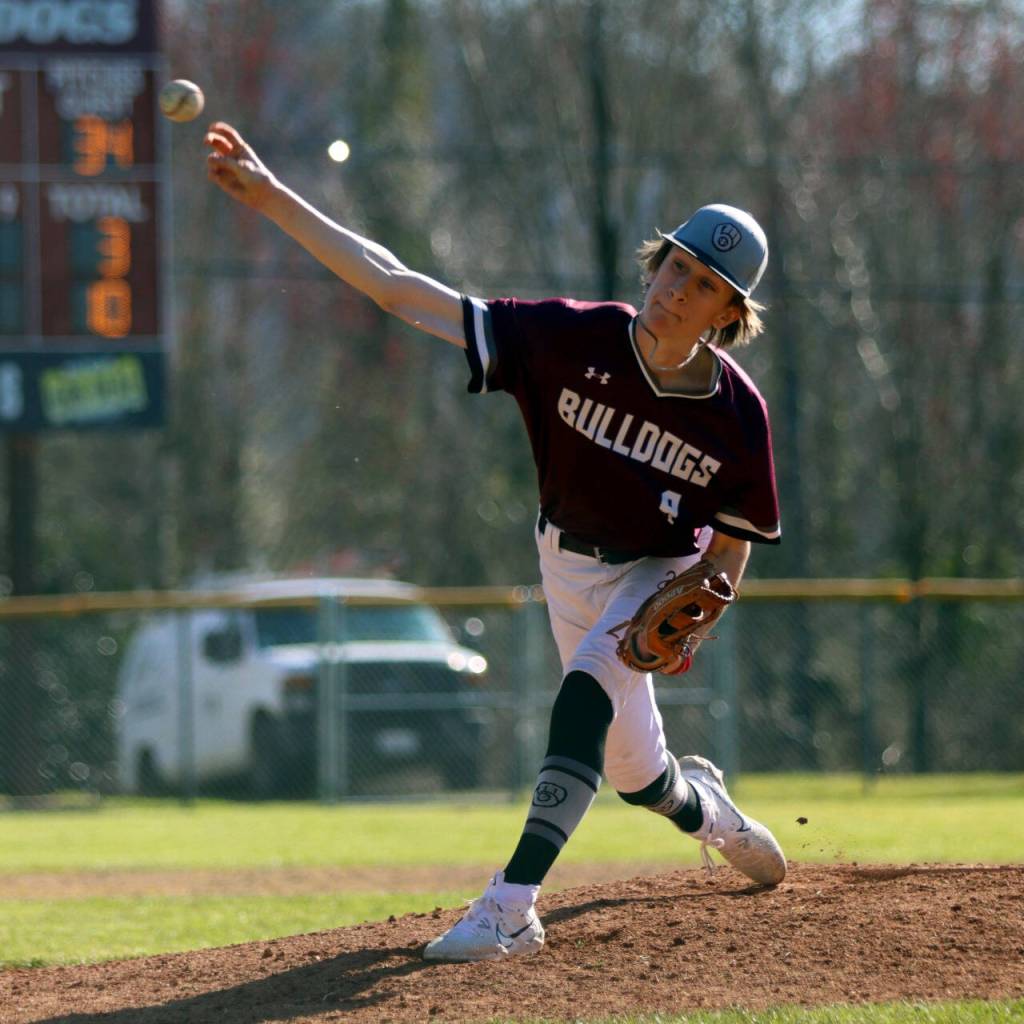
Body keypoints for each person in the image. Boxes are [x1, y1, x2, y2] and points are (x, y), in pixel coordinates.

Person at [205, 121, 786, 963]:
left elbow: (731, 552)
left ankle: (511, 906)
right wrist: (271, 198)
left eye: (702, 285)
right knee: (635, 776)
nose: (675, 290)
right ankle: (710, 811)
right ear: (655, 262)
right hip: (563, 560)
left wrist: (694, 611)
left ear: (730, 313)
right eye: (675, 266)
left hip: (659, 567)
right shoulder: (568, 338)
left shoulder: (739, 416)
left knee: (587, 689)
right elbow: (397, 289)